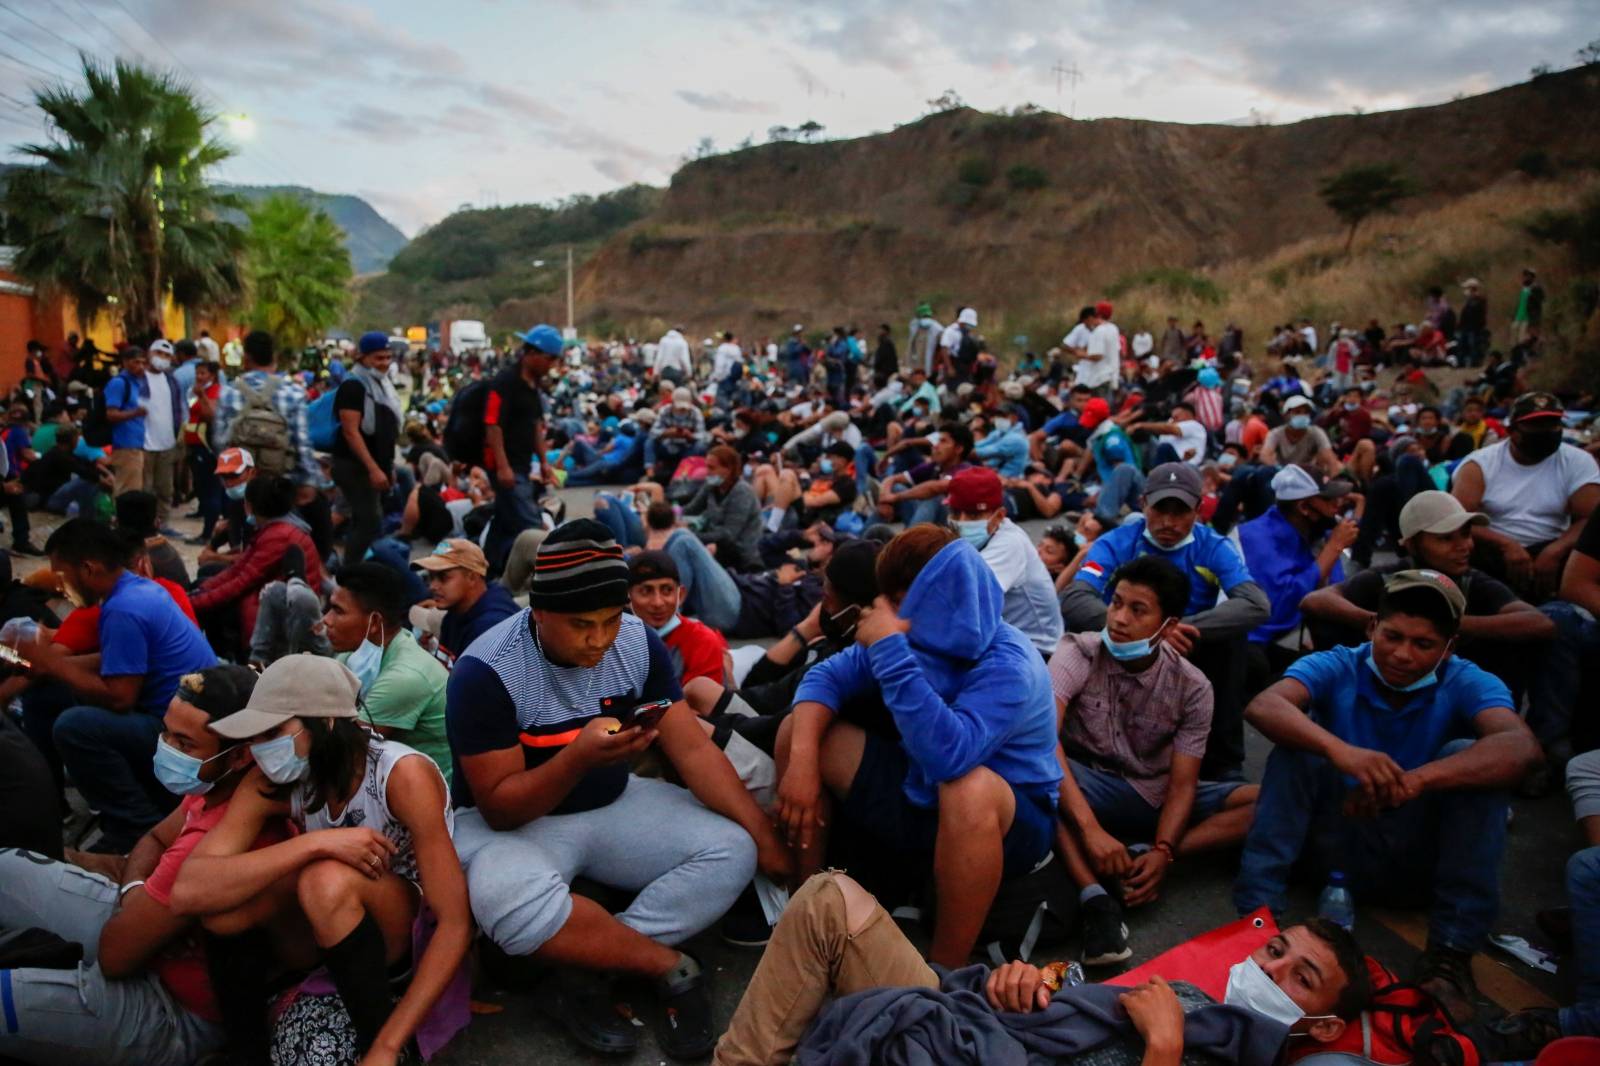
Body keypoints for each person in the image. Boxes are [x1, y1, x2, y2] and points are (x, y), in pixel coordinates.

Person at [444, 520, 786, 1059]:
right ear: (538, 613)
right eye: (581, 624)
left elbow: (693, 750)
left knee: (733, 848)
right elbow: (501, 808)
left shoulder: (635, 639)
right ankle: (665, 965)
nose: (599, 639)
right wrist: (576, 759)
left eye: (609, 620)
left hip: (611, 803)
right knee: (504, 899)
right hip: (513, 828)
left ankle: (587, 964)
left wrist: (763, 835)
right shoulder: (486, 670)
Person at [1234, 570, 1541, 1025]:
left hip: (1413, 863)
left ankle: (1450, 954)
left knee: (1476, 763)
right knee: (1299, 744)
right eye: (1393, 636)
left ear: (1449, 648)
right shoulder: (1341, 663)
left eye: (1423, 644)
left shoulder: (1467, 680)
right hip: (1330, 850)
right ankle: (1255, 921)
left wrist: (1414, 782)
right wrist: (1342, 752)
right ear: (1372, 627)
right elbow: (1265, 704)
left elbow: (1521, 748)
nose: (1402, 654)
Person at [713, 871, 1367, 1066]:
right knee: (832, 899)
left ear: (1327, 1027)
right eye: (1275, 951)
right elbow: (1082, 1007)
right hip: (993, 1034)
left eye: (1300, 977)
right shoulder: (1197, 997)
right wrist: (1027, 985)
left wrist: (1164, 1050)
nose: (1269, 969)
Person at [775, 525, 1061, 968]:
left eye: (898, 598)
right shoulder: (911, 630)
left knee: (968, 788)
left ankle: (941, 973)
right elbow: (824, 677)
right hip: (921, 792)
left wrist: (890, 649)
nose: (886, 608)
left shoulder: (1010, 663)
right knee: (800, 732)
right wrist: (802, 766)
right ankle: (806, 911)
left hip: (1008, 822)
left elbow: (949, 757)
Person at [171, 656, 470, 1063]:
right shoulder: (277, 780)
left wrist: (383, 1047)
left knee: (324, 880)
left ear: (325, 722)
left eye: (273, 732)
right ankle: (247, 1053)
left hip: (409, 937)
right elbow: (190, 891)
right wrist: (315, 844)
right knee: (228, 906)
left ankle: (385, 1045)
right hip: (333, 931)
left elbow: (453, 922)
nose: (260, 749)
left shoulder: (400, 776)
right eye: (255, 736)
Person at [0, 666, 284, 1066]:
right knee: (7, 871)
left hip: (173, 1010)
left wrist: (140, 918)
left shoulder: (220, 837)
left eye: (184, 744)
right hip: (138, 932)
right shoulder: (216, 786)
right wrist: (137, 899)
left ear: (238, 756)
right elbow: (151, 840)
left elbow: (116, 958)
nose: (166, 747)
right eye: (166, 732)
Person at [1052, 554, 1260, 966]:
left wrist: (1165, 851)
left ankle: (1140, 856)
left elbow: (1183, 783)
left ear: (1168, 627)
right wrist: (1091, 830)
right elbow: (1043, 742)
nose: (1119, 619)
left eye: (1137, 610)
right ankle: (1095, 897)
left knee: (1271, 801)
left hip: (1151, 793)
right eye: (1116, 603)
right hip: (1084, 786)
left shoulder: (1193, 686)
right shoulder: (1077, 651)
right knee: (1027, 773)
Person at [18, 518, 217, 851]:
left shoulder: (125, 608)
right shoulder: (135, 589)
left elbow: (120, 697)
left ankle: (133, 823)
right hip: (186, 711)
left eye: (62, 576)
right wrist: (52, 666)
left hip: (183, 730)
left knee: (73, 726)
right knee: (65, 691)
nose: (60, 587)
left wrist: (53, 663)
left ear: (88, 568)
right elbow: (116, 659)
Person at [1062, 462, 1269, 779]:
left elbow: (1255, 604)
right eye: (1160, 509)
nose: (1169, 522)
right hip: (1123, 641)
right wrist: (1141, 630)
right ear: (1143, 503)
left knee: (1233, 641)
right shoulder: (1117, 542)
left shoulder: (1213, 546)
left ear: (1199, 509)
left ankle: (1223, 762)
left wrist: (1171, 630)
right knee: (1076, 633)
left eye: (1180, 511)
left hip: (1182, 642)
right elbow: (1075, 596)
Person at [1302, 491, 1552, 698]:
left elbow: (1539, 623)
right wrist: (1379, 623)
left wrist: (1445, 626)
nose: (1463, 546)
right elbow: (1316, 601)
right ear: (1412, 544)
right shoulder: (1389, 576)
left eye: (1466, 534)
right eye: (1446, 538)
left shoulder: (1473, 581)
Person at [1451, 391, 1600, 599]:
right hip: (1491, 549)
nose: (1547, 432)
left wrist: (1555, 551)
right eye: (1536, 426)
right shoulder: (1479, 464)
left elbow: (1590, 519)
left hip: (1554, 547)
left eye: (1553, 424)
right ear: (1512, 430)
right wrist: (1506, 544)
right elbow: (1458, 519)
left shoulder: (1578, 461)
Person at [323, 561, 452, 783]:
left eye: (338, 611)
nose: (326, 620)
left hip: (428, 796)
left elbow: (342, 753)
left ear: (374, 622)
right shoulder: (350, 655)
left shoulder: (407, 676)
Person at [1236, 465, 1358, 685]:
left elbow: (1337, 593)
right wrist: (1333, 548)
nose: (1337, 507)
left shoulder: (1318, 533)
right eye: (1329, 500)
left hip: (1278, 638)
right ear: (1304, 507)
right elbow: (1276, 609)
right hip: (1246, 637)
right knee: (1256, 668)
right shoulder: (1257, 538)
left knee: (1336, 664)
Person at [188, 475, 324, 661]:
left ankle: (223, 660)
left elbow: (241, 582)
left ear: (250, 506)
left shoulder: (279, 536)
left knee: (213, 608)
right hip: (269, 597)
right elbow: (238, 569)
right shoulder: (274, 529)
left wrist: (194, 603)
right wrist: (199, 592)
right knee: (204, 583)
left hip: (281, 615)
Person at [945, 466, 1063, 656]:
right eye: (955, 512)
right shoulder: (979, 537)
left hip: (1036, 652)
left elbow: (962, 598)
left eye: (973, 515)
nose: (961, 521)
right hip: (997, 638)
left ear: (999, 516)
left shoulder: (1010, 544)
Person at [483, 325, 559, 568]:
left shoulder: (533, 387)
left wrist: (544, 462)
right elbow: (493, 425)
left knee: (503, 523)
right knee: (532, 528)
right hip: (507, 467)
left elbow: (534, 426)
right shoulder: (504, 382)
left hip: (523, 464)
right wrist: (502, 466)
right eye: (550, 358)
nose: (552, 365)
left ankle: (486, 569)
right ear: (532, 354)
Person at [213, 329, 323, 489]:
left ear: (246, 358)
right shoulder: (293, 393)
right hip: (281, 484)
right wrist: (310, 481)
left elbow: (220, 442)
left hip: (242, 485)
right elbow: (302, 444)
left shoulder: (228, 393)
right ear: (274, 357)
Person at [333, 332, 403, 565]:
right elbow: (351, 432)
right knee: (370, 521)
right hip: (354, 465)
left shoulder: (381, 385)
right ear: (363, 358)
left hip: (373, 464)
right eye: (378, 358)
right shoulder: (353, 386)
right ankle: (348, 573)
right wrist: (373, 469)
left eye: (387, 357)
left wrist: (387, 466)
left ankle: (359, 566)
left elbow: (385, 430)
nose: (383, 363)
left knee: (363, 520)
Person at [410, 537, 518, 667]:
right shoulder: (456, 612)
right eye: (431, 577)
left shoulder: (490, 628)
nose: (433, 586)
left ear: (472, 577)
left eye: (443, 577)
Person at [629, 550, 729, 686]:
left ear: (680, 595)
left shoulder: (701, 641)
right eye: (646, 591)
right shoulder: (613, 640)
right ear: (628, 597)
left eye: (667, 590)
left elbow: (698, 704)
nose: (658, 602)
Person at [876, 422, 974, 526]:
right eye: (937, 441)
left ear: (958, 449)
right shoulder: (936, 466)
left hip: (949, 529)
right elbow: (892, 478)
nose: (935, 446)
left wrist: (895, 497)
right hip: (925, 520)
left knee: (935, 498)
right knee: (895, 487)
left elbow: (935, 488)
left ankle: (910, 540)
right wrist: (884, 501)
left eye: (943, 441)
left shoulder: (965, 470)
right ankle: (863, 540)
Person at [683, 444, 763, 571]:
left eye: (712, 468)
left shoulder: (742, 492)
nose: (707, 471)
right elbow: (691, 509)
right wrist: (670, 516)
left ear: (729, 469)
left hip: (740, 551)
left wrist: (692, 535)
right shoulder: (711, 485)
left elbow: (729, 535)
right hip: (714, 542)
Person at [140, 339, 185, 533]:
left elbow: (178, 408)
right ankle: (144, 525)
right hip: (144, 443)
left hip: (167, 442)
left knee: (165, 489)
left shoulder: (171, 380)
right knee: (145, 488)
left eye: (167, 355)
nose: (163, 359)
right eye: (159, 353)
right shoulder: (139, 378)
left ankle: (163, 523)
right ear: (149, 354)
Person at [104, 346, 151, 496]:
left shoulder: (139, 383)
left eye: (143, 363)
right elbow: (111, 414)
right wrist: (136, 413)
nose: (140, 367)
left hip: (139, 443)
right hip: (126, 443)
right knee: (127, 488)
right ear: (125, 362)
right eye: (136, 362)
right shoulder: (119, 383)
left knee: (137, 487)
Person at [1260, 396, 1341, 478]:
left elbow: (1329, 458)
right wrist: (1279, 469)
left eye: (1306, 413)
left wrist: (1334, 479)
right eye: (1297, 412)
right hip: (1282, 476)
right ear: (1286, 415)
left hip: (1306, 476)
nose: (1302, 415)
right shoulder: (1276, 433)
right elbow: (1265, 455)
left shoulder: (1316, 433)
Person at [1512, 267, 1544, 344]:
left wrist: (1534, 320)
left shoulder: (1536, 288)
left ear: (1532, 277)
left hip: (1529, 318)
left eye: (1527, 276)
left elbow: (1540, 301)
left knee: (1527, 339)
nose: (1525, 277)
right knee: (1517, 338)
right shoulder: (1524, 289)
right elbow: (1521, 304)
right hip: (1521, 317)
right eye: (1525, 275)